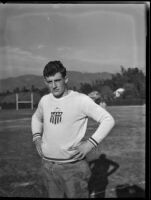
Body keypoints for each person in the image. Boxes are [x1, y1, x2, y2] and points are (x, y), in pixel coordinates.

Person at [31, 60, 115, 198]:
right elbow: (36, 118)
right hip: (48, 167)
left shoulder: (80, 100)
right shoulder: (45, 100)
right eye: (49, 81)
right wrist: (36, 138)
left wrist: (89, 144)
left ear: (66, 79)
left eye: (57, 80)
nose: (54, 86)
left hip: (73, 168)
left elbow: (108, 120)